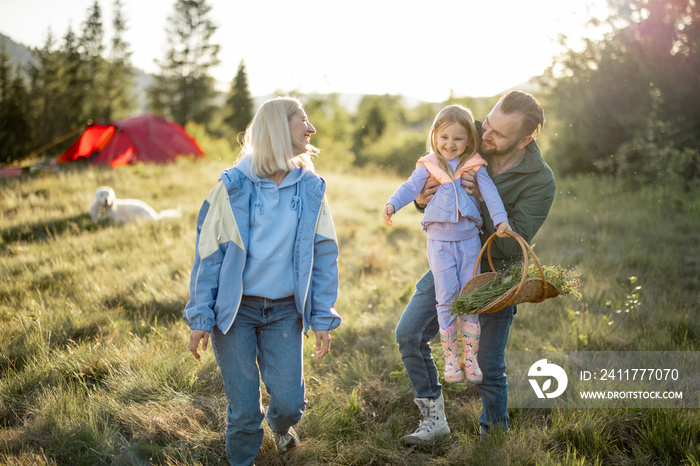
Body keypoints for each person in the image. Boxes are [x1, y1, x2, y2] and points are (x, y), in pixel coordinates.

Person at [183, 97, 341, 465]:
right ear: (277, 127)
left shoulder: (311, 188)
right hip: (235, 312)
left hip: (285, 311)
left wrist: (321, 316)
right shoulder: (233, 186)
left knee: (289, 404)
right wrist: (201, 318)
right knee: (243, 413)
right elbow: (208, 256)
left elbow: (325, 256)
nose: (312, 128)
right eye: (303, 120)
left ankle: (281, 428)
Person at [396, 91, 555, 445]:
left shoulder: (540, 181)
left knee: (488, 365)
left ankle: (494, 435)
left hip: (497, 275)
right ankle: (434, 420)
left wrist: (483, 199)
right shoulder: (471, 132)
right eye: (489, 123)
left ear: (525, 140)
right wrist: (423, 201)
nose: (486, 135)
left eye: (499, 134)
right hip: (449, 261)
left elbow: (511, 242)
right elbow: (433, 175)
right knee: (408, 333)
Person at [382, 104, 512, 386]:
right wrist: (393, 204)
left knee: (469, 296)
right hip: (439, 243)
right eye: (444, 137)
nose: (450, 145)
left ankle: (470, 357)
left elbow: (490, 196)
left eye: (458, 139)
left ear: (468, 141)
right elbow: (409, 188)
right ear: (434, 136)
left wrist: (501, 221)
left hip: (468, 241)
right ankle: (451, 358)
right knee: (446, 297)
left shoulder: (474, 166)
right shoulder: (428, 165)